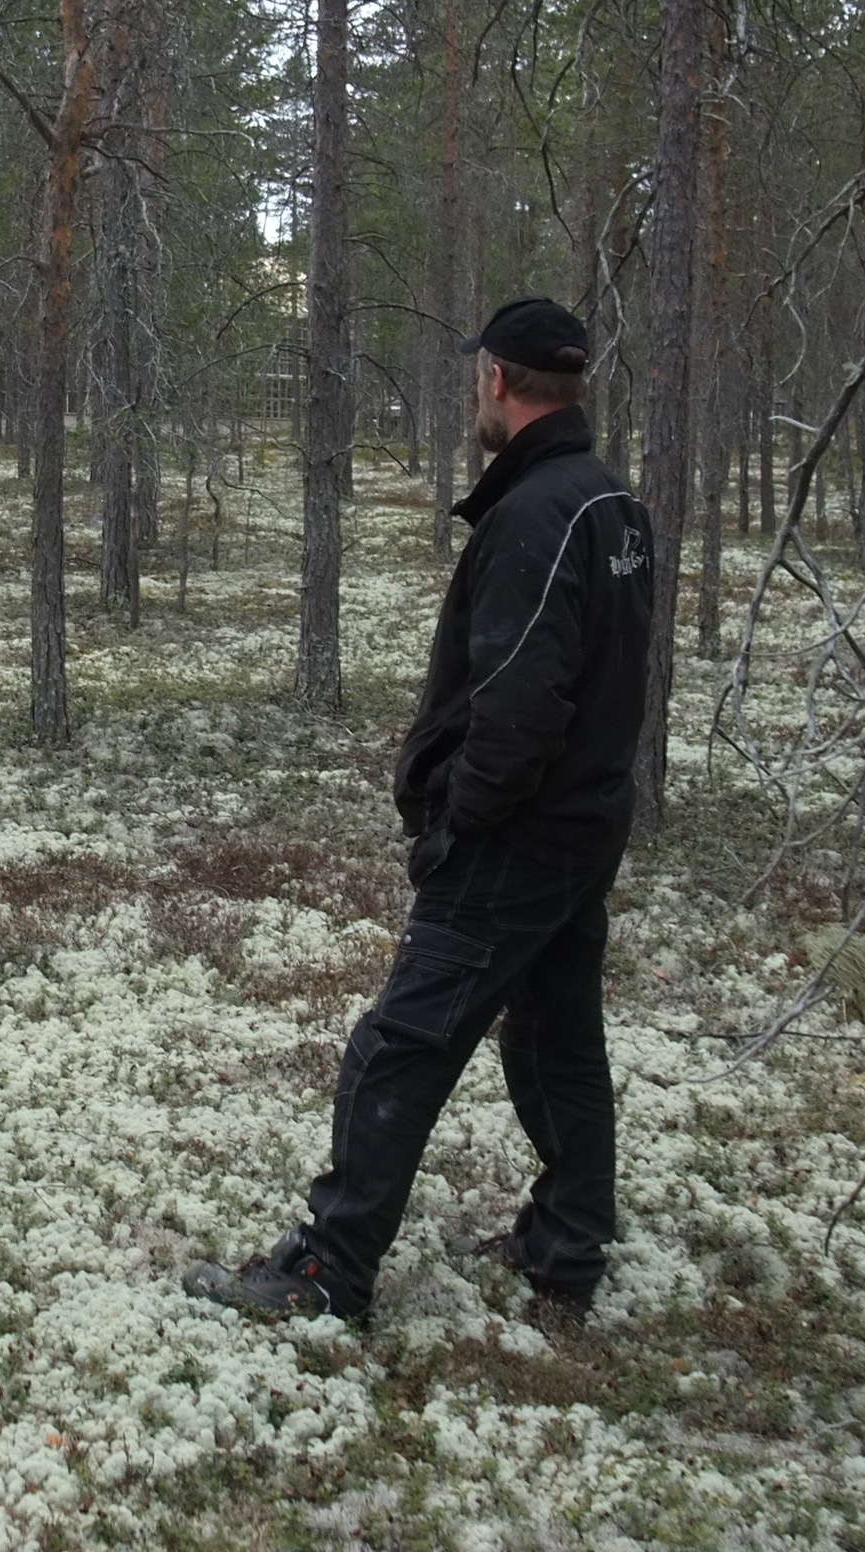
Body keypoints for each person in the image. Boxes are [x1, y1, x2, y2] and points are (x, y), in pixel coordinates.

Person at [185, 296, 654, 1323]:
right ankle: (566, 1242)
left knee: (396, 1047)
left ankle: (327, 1269)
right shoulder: (607, 502)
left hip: (518, 836)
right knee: (554, 1037)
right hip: (581, 828)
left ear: (494, 379)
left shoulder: (537, 514)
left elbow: (521, 705)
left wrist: (457, 823)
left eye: (471, 374)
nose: (468, 392)